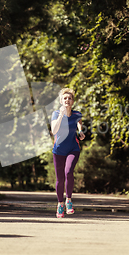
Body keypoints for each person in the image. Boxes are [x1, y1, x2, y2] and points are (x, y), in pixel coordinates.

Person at [51, 88, 85, 218]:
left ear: (73, 101)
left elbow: (79, 123)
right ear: (61, 101)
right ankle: (60, 204)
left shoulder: (77, 114)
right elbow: (54, 130)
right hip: (59, 150)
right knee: (60, 179)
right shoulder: (55, 114)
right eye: (65, 98)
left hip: (73, 148)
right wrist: (61, 115)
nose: (67, 100)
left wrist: (80, 131)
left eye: (69, 98)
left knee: (69, 171)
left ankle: (68, 200)